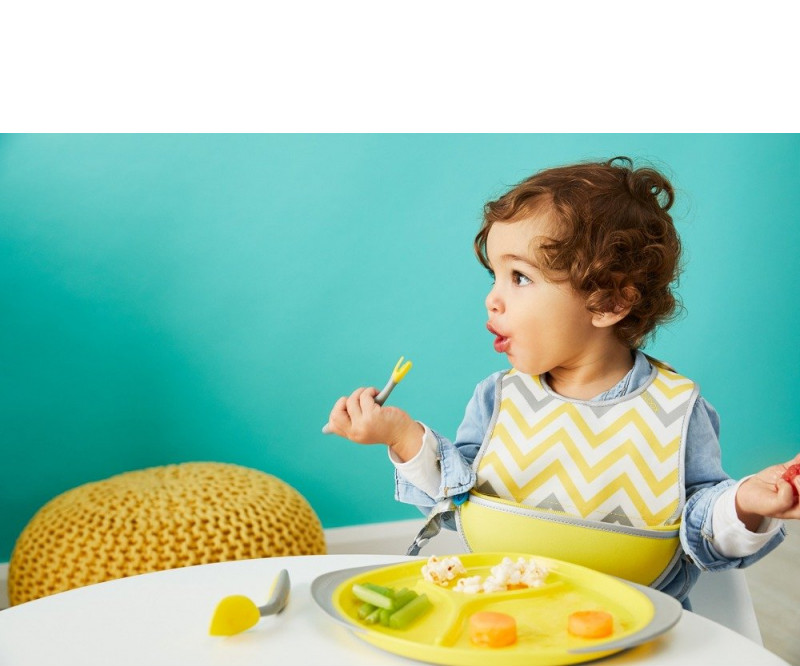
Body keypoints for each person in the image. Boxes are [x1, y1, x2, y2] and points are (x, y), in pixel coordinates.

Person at [325, 156, 799, 606]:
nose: (492, 299)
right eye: (494, 276)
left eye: (520, 277)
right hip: (505, 613)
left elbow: (701, 526)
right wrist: (401, 435)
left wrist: (745, 503)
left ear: (609, 302)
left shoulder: (675, 409)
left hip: (634, 628)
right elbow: (459, 497)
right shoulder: (498, 398)